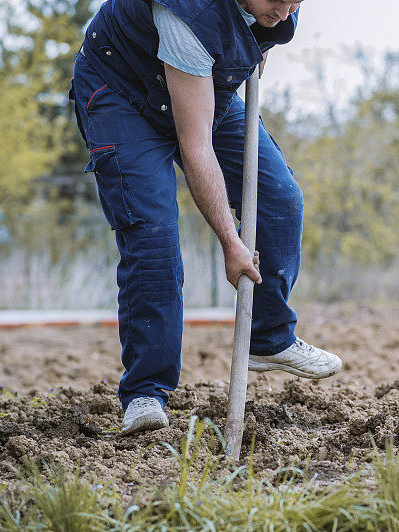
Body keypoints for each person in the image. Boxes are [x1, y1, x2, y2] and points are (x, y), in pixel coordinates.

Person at [68, 0, 342, 437]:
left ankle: (270, 338)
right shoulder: (186, 13)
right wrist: (231, 242)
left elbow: (254, 35)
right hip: (122, 90)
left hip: (200, 83)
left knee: (279, 197)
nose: (288, 12)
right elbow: (197, 148)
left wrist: (257, 43)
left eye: (297, 2)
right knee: (153, 235)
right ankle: (146, 392)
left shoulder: (276, 7)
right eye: (280, 1)